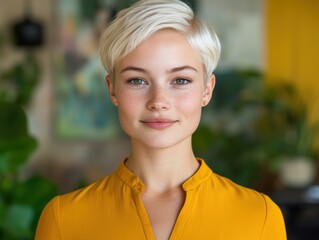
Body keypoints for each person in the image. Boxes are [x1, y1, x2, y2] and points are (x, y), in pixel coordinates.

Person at [35, 0, 286, 239]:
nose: (158, 101)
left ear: (206, 90)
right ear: (113, 91)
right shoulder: (63, 219)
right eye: (137, 80)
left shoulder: (259, 216)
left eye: (180, 80)